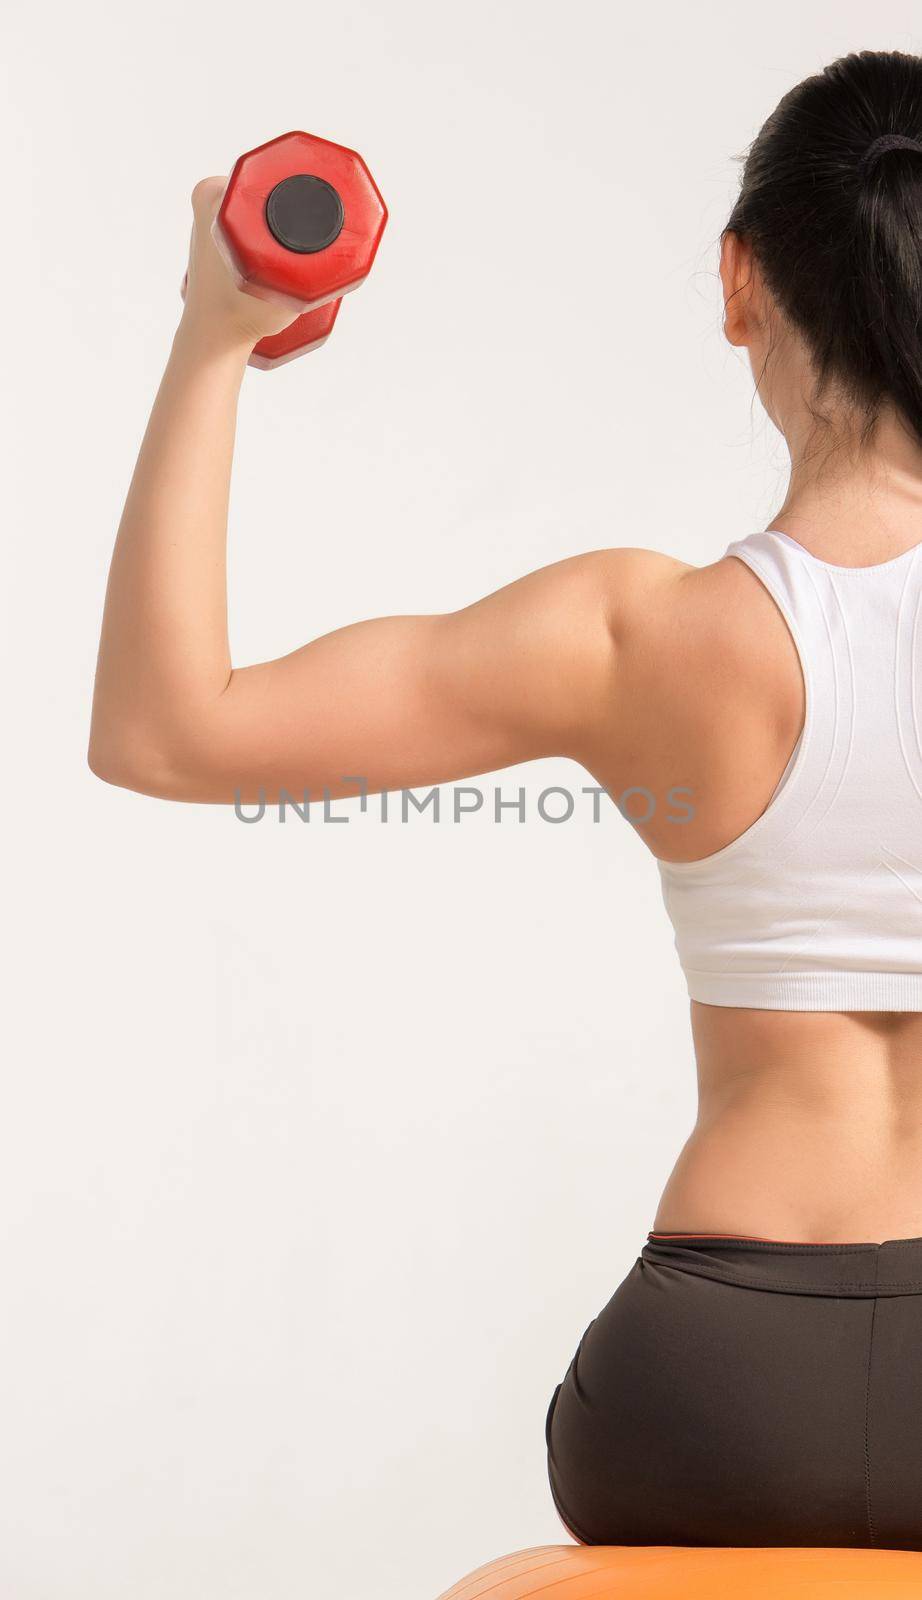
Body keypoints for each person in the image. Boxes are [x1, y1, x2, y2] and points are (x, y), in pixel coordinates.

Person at [89, 48, 922, 1551]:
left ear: (741, 285)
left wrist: (217, 337)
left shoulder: (636, 636)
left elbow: (167, 731)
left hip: (712, 1386)